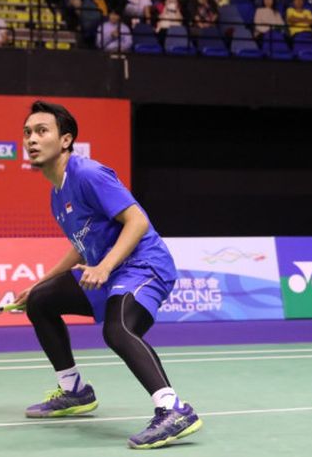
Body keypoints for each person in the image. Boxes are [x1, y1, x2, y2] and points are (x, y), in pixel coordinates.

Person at [14, 101, 202, 449]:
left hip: (143, 266)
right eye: (27, 132)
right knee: (41, 301)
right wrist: (39, 283)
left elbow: (137, 221)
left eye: (42, 131)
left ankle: (173, 410)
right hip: (109, 271)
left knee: (118, 329)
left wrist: (103, 267)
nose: (32, 139)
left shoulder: (88, 174)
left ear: (66, 140)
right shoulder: (57, 194)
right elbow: (79, 245)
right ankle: (74, 392)